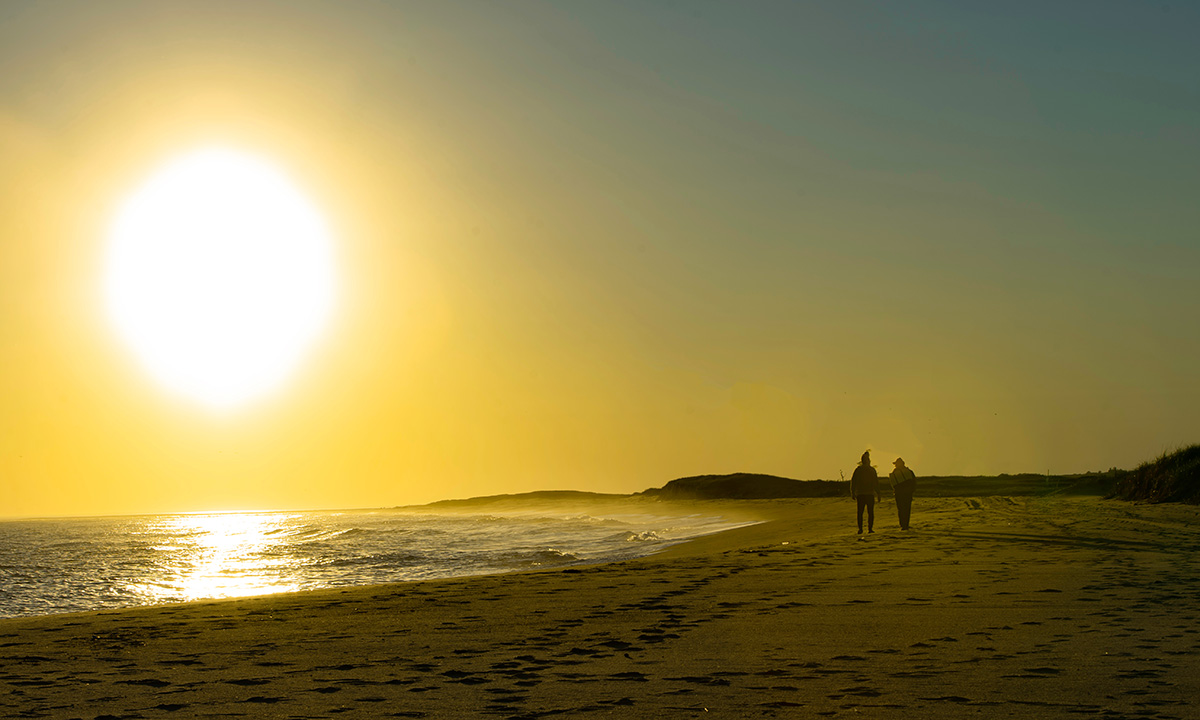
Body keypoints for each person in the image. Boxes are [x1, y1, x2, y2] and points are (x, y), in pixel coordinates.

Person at [850, 450, 881, 535]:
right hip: (867, 494)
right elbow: (875, 482)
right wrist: (878, 493)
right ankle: (868, 529)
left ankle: (862, 529)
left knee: (861, 512)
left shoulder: (859, 470)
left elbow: (854, 481)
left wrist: (852, 492)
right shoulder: (870, 470)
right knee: (868, 512)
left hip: (863, 494)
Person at [890, 457, 917, 530]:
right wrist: (912, 491)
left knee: (901, 509)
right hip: (908, 493)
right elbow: (914, 482)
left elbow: (893, 484)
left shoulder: (894, 473)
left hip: (899, 494)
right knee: (907, 509)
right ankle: (906, 525)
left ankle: (902, 524)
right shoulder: (909, 471)